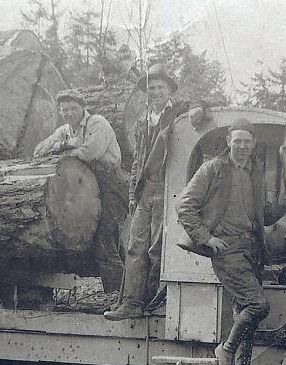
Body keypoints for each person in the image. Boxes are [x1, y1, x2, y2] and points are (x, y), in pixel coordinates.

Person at [176, 118, 286, 365]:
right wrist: (206, 238)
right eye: (236, 141)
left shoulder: (254, 171)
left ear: (252, 145)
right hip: (226, 251)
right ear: (228, 142)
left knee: (245, 318)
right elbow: (185, 205)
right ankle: (225, 351)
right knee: (258, 305)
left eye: (246, 142)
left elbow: (261, 213)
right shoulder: (213, 168)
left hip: (251, 250)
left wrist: (284, 206)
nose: (241, 146)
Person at [104, 63, 189, 321]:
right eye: (151, 88)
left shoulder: (179, 114)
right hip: (145, 191)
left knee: (157, 248)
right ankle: (130, 303)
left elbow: (202, 105)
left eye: (160, 87)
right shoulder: (143, 121)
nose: (155, 92)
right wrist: (132, 194)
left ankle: (151, 303)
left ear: (169, 89)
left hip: (168, 188)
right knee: (134, 246)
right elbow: (138, 161)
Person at [34, 89, 127, 294]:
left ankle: (119, 296)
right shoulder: (65, 130)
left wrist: (65, 153)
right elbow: (39, 150)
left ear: (83, 107)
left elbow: (90, 153)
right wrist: (66, 144)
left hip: (111, 186)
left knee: (106, 240)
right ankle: (130, 291)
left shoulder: (97, 123)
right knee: (109, 243)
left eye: (73, 108)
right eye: (64, 110)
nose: (69, 113)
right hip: (86, 188)